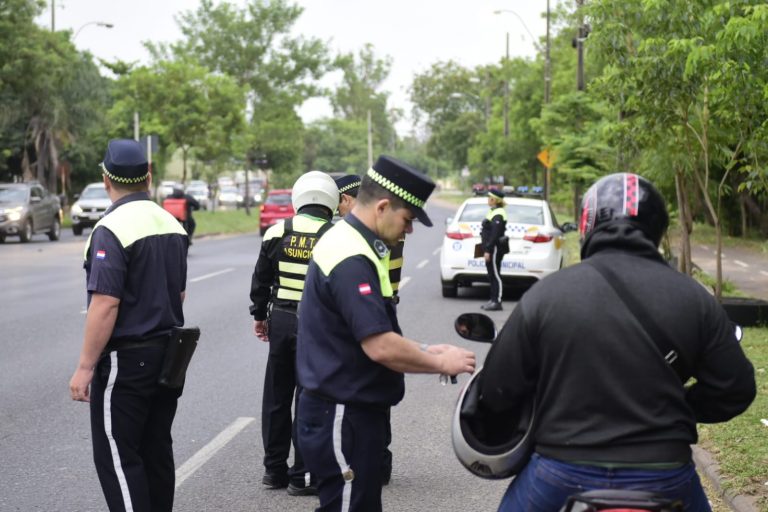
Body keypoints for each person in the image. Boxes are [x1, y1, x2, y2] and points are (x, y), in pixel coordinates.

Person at [477, 173, 756, 511]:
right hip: (666, 473)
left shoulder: (546, 295)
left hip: (562, 470)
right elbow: (736, 388)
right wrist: (679, 408)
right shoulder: (695, 299)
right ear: (658, 228)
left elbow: (496, 390)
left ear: (587, 224)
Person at [296, 155, 477, 512]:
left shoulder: (353, 243)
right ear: (382, 207)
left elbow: (367, 333)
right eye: (408, 219)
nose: (409, 230)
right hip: (343, 414)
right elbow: (379, 346)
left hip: (348, 412)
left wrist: (426, 348)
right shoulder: (351, 257)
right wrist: (439, 363)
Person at [69, 139, 189, 512]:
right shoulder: (171, 223)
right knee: (156, 451)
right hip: (169, 355)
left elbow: (106, 302)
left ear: (106, 180)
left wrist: (85, 366)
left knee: (119, 457)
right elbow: (179, 293)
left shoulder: (111, 227)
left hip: (127, 361)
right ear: (148, 177)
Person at [249, 170, 340, 496]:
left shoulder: (277, 231)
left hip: (282, 321)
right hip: (318, 326)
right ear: (331, 200)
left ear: (298, 198)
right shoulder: (336, 235)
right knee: (310, 398)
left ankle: (274, 471)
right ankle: (303, 473)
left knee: (276, 397)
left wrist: (260, 316)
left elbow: (260, 281)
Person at [334, 172, 397, 486]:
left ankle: (360, 464)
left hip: (365, 318)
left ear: (347, 199)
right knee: (377, 401)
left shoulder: (352, 238)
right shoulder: (379, 235)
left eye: (340, 203)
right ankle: (377, 463)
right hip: (381, 310)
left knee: (358, 403)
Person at [480, 188, 508, 311]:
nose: (488, 200)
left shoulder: (499, 214)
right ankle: (492, 299)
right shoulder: (493, 211)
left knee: (495, 275)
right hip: (489, 247)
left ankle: (497, 301)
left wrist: (488, 250)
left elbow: (495, 234)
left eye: (489, 198)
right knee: (491, 274)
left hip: (494, 248)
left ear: (494, 200)